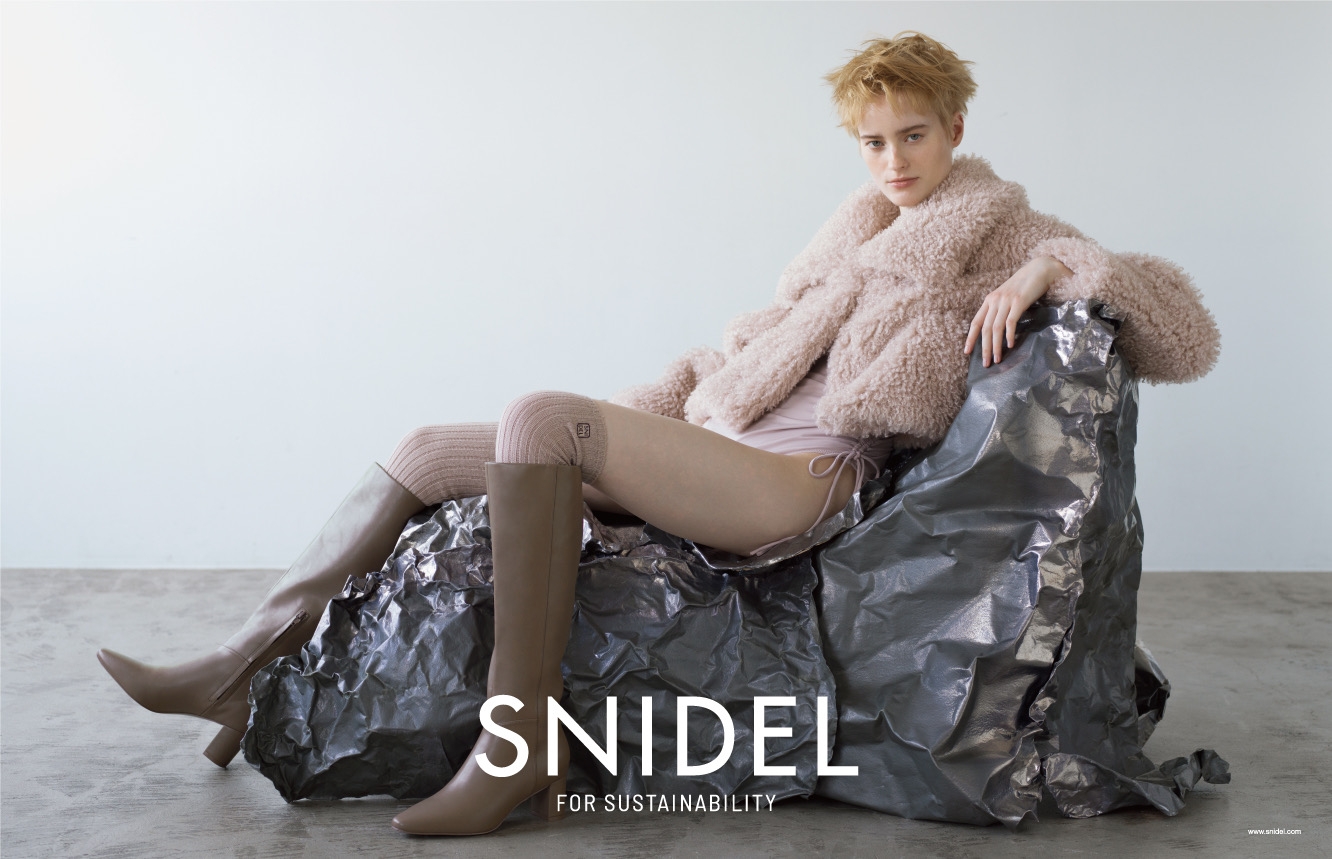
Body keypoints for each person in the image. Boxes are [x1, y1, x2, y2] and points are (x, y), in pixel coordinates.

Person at [97, 32, 1219, 836]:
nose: (893, 162)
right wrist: (662, 409)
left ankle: (518, 747)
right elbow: (752, 354)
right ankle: (239, 668)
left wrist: (1044, 268)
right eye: (873, 141)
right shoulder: (852, 232)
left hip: (802, 484)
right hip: (726, 446)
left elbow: (1179, 323)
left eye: (913, 135)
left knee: (542, 416)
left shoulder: (998, 224)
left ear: (957, 128)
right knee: (432, 446)